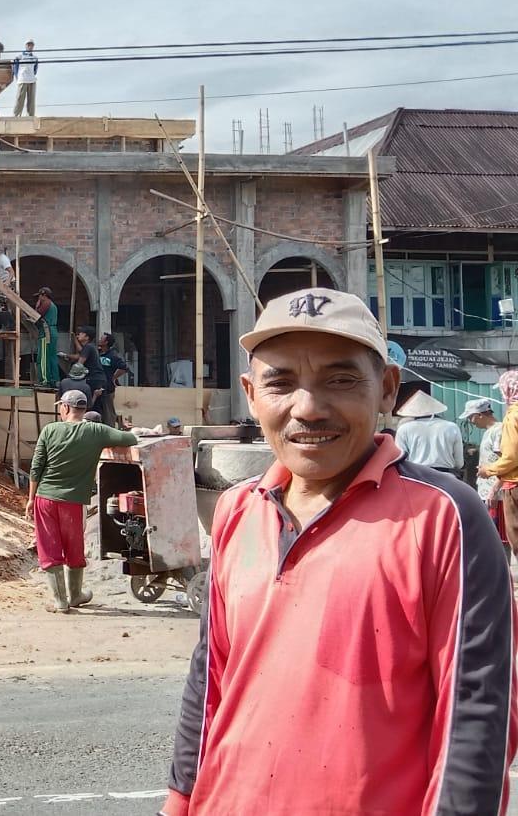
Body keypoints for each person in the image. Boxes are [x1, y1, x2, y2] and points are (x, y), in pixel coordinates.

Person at [164, 288, 517, 813]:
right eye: (280, 382)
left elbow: (476, 716)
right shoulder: (238, 509)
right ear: (251, 393)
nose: (308, 408)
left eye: (341, 379)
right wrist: (178, 801)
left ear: (387, 389)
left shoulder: (445, 518)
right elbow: (210, 676)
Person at [28, 390, 138, 612]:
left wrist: (31, 499)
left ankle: (60, 601)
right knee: (74, 547)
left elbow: (36, 467)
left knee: (49, 548)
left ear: (66, 408)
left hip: (45, 499)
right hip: (74, 502)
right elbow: (130, 439)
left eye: (61, 406)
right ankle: (76, 594)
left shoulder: (50, 430)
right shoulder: (96, 431)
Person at [465, 398, 506, 547]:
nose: (471, 421)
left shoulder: (499, 431)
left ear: (480, 415)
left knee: (500, 539)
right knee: (494, 539)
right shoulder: (488, 432)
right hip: (487, 492)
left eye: (471, 417)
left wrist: (495, 489)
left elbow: (506, 462)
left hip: (497, 494)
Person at [394, 390, 463, 474]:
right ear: (434, 409)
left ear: (412, 411)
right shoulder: (452, 427)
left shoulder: (404, 429)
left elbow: (400, 458)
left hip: (417, 476)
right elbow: (459, 463)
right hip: (446, 475)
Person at [485, 369, 518, 545]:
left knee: (515, 538)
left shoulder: (513, 417)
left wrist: (488, 470)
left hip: (514, 484)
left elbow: (511, 456)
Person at [59, 327, 109, 423]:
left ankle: (93, 427)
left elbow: (80, 362)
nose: (78, 335)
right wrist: (73, 344)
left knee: (93, 407)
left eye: (80, 334)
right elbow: (80, 352)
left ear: (86, 337)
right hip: (99, 379)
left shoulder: (88, 347)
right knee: (97, 406)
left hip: (94, 379)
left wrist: (70, 377)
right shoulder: (89, 347)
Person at [33, 287, 61, 386]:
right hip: (52, 331)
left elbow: (36, 315)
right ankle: (54, 380)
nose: (38, 299)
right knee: (52, 357)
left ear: (44, 295)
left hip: (46, 332)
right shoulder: (53, 305)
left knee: (43, 357)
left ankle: (45, 380)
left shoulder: (46, 303)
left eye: (39, 296)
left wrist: (36, 306)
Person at [12, 40, 40, 118]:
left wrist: (32, 75)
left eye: (31, 45)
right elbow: (15, 67)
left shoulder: (35, 58)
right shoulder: (19, 56)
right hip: (22, 79)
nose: (30, 46)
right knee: (20, 99)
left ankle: (31, 116)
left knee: (31, 100)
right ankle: (16, 115)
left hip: (32, 80)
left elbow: (35, 69)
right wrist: (17, 77)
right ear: (25, 46)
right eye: (28, 45)